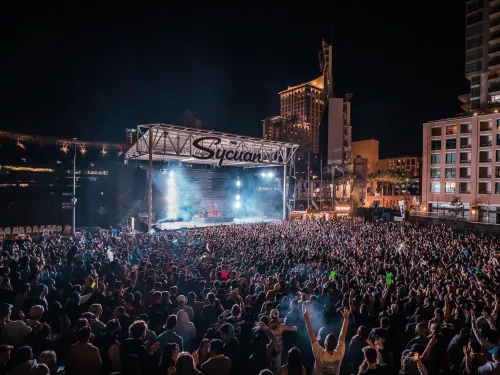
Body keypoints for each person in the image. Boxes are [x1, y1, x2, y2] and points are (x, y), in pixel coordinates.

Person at [304, 307, 349, 375]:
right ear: (336, 344)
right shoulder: (339, 354)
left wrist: (307, 319)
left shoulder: (319, 353)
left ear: (325, 343)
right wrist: (346, 319)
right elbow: (343, 335)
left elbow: (311, 333)